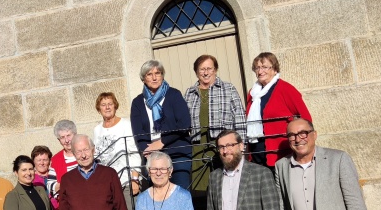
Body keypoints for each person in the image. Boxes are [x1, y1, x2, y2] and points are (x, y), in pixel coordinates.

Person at [93, 91, 142, 210]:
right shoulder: (97, 130)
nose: (107, 107)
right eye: (103, 104)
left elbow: (134, 151)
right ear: (99, 108)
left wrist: (135, 177)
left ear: (115, 106)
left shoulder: (126, 125)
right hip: (107, 185)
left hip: (125, 180)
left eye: (110, 104)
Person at [184, 55, 246, 192]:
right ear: (196, 72)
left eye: (209, 68)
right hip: (198, 147)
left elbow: (240, 117)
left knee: (224, 185)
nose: (206, 73)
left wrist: (241, 145)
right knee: (201, 189)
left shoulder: (228, 88)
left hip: (223, 146)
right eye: (202, 69)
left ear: (215, 70)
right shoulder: (190, 93)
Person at [130, 60, 192, 190]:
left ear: (162, 75)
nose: (154, 77)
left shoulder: (174, 94)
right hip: (153, 157)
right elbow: (138, 131)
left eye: (157, 73)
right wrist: (147, 150)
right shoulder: (137, 102)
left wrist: (162, 142)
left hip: (177, 153)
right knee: (159, 199)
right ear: (143, 79)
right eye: (149, 74)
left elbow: (184, 124)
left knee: (180, 195)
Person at [245, 52, 311, 168]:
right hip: (257, 152)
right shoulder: (252, 93)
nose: (260, 71)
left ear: (275, 69)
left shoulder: (285, 89)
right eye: (257, 68)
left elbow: (306, 118)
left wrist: (299, 141)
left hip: (280, 152)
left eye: (265, 67)